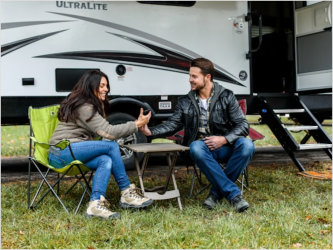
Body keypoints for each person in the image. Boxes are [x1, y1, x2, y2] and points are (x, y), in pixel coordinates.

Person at [140, 58, 255, 212]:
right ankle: (234, 194)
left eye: (194, 76)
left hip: (226, 146)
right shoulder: (185, 101)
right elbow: (173, 123)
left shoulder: (226, 96)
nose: (190, 80)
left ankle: (215, 194)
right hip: (202, 150)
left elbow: (243, 125)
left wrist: (224, 139)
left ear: (207, 77)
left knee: (247, 145)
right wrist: (150, 132)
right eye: (190, 76)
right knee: (195, 147)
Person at [48, 69, 153, 220]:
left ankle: (95, 205)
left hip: (71, 151)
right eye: (102, 85)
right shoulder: (84, 107)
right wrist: (135, 124)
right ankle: (126, 192)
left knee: (106, 159)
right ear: (91, 86)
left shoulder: (89, 104)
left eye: (106, 86)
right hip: (61, 152)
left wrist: (138, 126)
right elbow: (108, 132)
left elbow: (102, 130)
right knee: (111, 145)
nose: (106, 89)